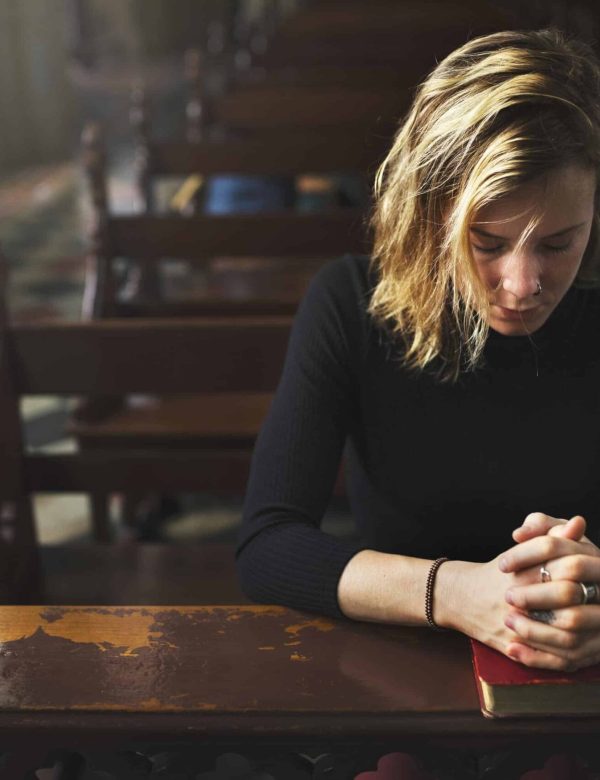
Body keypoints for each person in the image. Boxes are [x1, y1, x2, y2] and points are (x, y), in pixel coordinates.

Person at [235, 28, 600, 675]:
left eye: (558, 243)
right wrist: (455, 593)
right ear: (430, 211)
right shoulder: (351, 302)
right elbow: (268, 545)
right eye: (487, 243)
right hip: (404, 668)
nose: (522, 287)